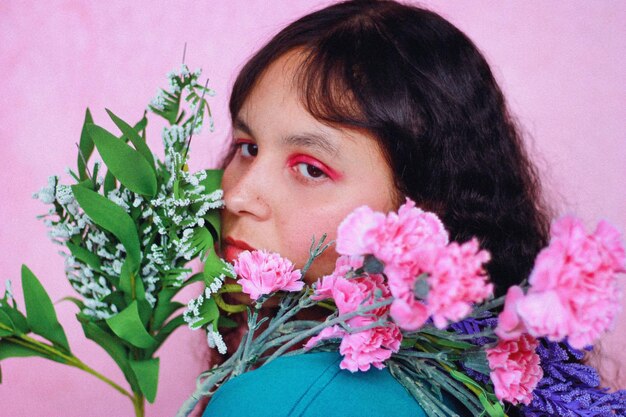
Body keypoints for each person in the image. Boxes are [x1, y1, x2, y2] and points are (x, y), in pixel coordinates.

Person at [205, 0, 550, 415]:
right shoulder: (465, 385)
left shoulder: (282, 400)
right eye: (248, 147)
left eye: (311, 170)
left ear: (421, 212)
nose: (238, 195)